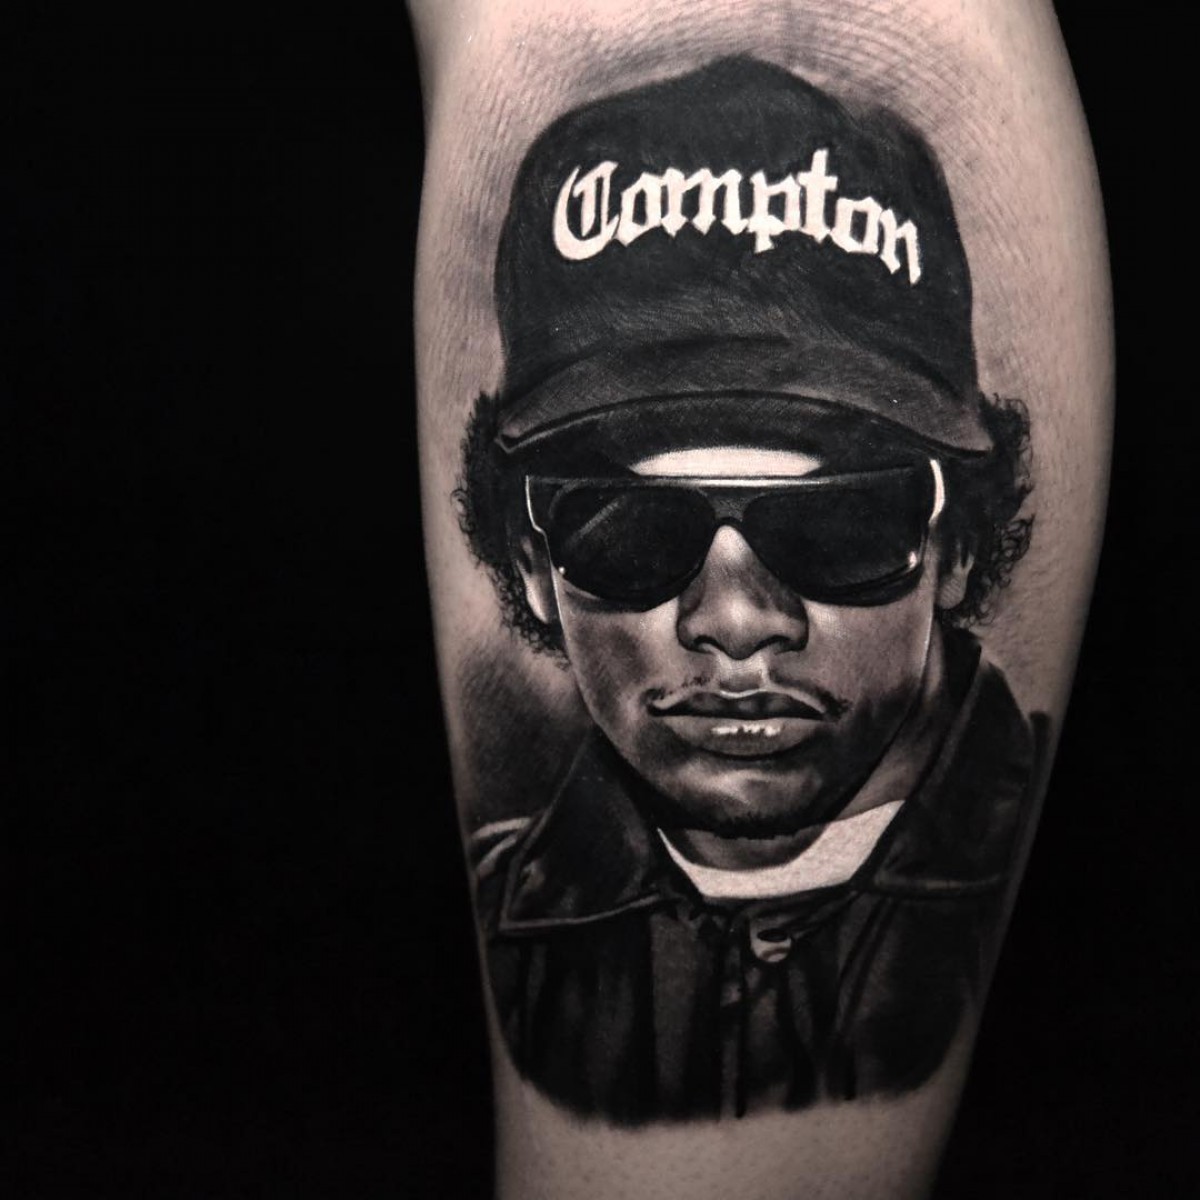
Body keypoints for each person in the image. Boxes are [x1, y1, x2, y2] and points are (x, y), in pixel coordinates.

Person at [457, 57, 1047, 1123]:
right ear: (535, 568)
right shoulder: (493, 914)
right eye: (630, 531)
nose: (734, 623)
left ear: (954, 544)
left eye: (838, 524)